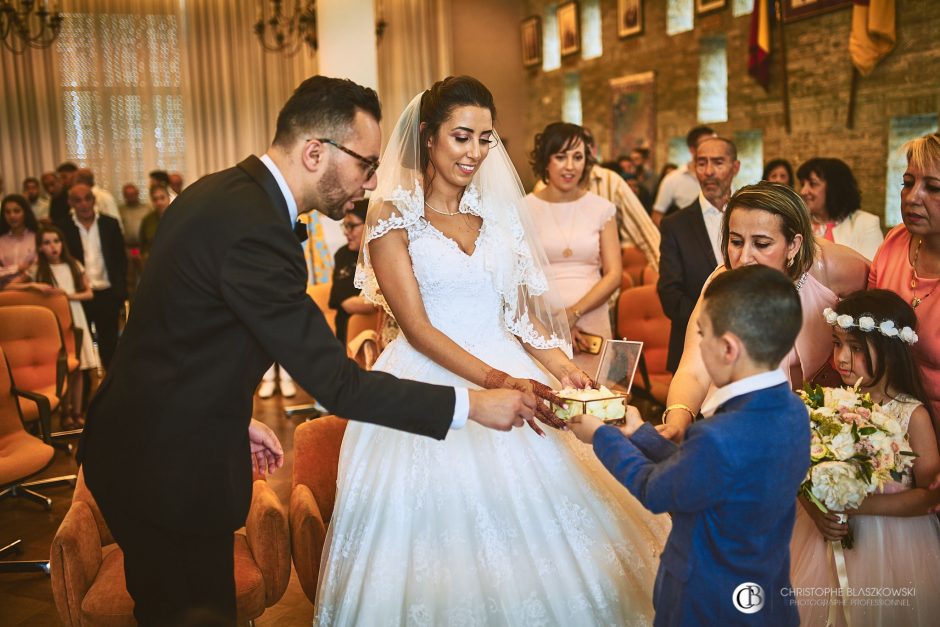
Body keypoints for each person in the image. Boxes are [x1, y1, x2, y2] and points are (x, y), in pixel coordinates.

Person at [77, 75, 537, 626]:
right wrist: (471, 405)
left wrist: (227, 411)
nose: (370, 183)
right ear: (316, 151)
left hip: (146, 439)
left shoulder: (218, 192)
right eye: (365, 165)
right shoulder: (256, 232)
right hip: (166, 467)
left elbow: (178, 334)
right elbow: (336, 383)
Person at [315, 76, 670, 625]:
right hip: (428, 378)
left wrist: (561, 368)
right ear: (429, 137)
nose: (475, 152)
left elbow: (520, 315)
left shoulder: (499, 215)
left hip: (512, 365)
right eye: (462, 137)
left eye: (486, 139)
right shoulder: (392, 216)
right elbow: (417, 327)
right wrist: (497, 381)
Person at [569, 265, 808, 626]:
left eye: (701, 335)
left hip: (706, 603)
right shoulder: (793, 410)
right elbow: (709, 473)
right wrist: (640, 433)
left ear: (728, 348)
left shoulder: (717, 434)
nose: (698, 343)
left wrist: (603, 436)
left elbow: (656, 490)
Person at [660, 182, 869, 442]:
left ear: (793, 245)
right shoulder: (723, 283)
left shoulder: (836, 268)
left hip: (818, 423)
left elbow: (885, 319)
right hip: (742, 418)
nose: (745, 257)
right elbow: (693, 368)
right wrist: (678, 421)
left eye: (761, 244)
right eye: (736, 242)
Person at [789, 290, 940, 626]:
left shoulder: (911, 415)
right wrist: (815, 509)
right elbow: (796, 470)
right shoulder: (824, 403)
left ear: (889, 349)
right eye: (837, 344)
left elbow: (930, 493)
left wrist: (858, 507)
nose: (841, 358)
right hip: (822, 539)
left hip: (895, 545)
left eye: (855, 348)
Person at [525, 122, 623, 373]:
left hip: (592, 318)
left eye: (577, 157)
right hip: (541, 320)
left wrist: (574, 313)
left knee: (593, 398)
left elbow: (614, 274)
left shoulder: (602, 208)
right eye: (561, 157)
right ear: (546, 161)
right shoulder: (523, 208)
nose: (570, 166)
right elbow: (520, 275)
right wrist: (555, 318)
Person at [869, 132, 940, 428]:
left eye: (933, 188)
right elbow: (867, 321)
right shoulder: (896, 241)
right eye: (908, 183)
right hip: (885, 414)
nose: (912, 198)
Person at [657, 136, 739, 373]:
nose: (709, 171)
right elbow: (670, 295)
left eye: (718, 163)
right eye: (701, 163)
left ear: (735, 167)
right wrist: (714, 325)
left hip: (749, 346)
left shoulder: (751, 217)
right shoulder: (675, 224)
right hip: (693, 349)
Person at [30, 224, 95, 428]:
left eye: (56, 241)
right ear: (40, 247)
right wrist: (32, 285)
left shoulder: (73, 264)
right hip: (52, 322)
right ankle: (64, 413)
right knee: (63, 369)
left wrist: (68, 295)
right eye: (47, 243)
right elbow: (10, 285)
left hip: (75, 316)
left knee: (79, 368)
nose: (53, 247)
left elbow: (89, 292)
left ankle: (77, 412)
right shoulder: (37, 270)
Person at [58, 182, 127, 369]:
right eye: (78, 200)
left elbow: (121, 260)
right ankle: (87, 389)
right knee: (82, 345)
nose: (84, 204)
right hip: (80, 295)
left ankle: (111, 387)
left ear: (94, 200)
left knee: (110, 344)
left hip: (107, 292)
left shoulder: (110, 224)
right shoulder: (63, 228)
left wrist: (120, 292)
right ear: (70, 203)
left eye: (88, 198)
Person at [798, 157, 883, 260]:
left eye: (813, 184)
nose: (803, 191)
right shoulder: (799, 223)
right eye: (802, 184)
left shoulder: (866, 223)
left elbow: (872, 271)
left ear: (834, 188)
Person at [329, 199, 376, 346]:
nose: (346, 232)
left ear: (369, 225)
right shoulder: (342, 255)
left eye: (351, 226)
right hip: (349, 330)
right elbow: (348, 304)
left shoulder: (382, 252)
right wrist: (383, 305)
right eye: (345, 226)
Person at [652, 125, 715, 226]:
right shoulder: (672, 179)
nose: (713, 150)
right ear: (692, 150)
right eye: (707, 145)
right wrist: (673, 237)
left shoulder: (721, 177)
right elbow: (657, 216)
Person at [0, 194, 39, 288]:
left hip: (32, 288)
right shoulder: (1, 240)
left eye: (17, 211)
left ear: (25, 212)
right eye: (7, 212)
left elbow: (36, 268)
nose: (12, 216)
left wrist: (12, 285)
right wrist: (18, 268)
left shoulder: (37, 237)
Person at [139, 183, 171, 260]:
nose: (159, 202)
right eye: (155, 199)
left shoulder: (178, 216)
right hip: (153, 262)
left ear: (168, 198)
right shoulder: (147, 220)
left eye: (162, 198)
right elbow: (143, 245)